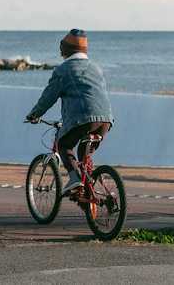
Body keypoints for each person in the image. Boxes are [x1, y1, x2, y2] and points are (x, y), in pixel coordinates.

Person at [26, 29, 113, 195]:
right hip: (106, 120)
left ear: (65, 51)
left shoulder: (63, 71)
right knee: (84, 154)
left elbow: (48, 97)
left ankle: (74, 179)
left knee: (63, 144)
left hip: (82, 120)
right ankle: (90, 185)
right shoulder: (97, 69)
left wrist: (35, 114)